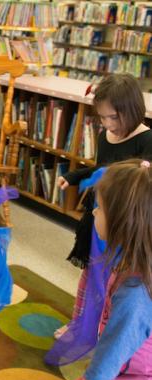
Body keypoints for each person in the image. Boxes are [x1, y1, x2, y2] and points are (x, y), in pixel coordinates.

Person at [48, 160, 152, 380]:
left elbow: (106, 365)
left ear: (125, 222)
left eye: (100, 208)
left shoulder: (136, 295)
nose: (93, 214)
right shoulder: (130, 257)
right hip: (125, 373)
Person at [54, 74, 152, 339]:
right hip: (99, 216)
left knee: (115, 284)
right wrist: (74, 177)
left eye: (114, 118)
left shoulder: (147, 141)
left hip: (125, 225)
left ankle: (106, 332)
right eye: (103, 117)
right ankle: (79, 324)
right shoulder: (105, 135)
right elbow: (102, 168)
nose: (108, 124)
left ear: (132, 111)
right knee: (90, 276)